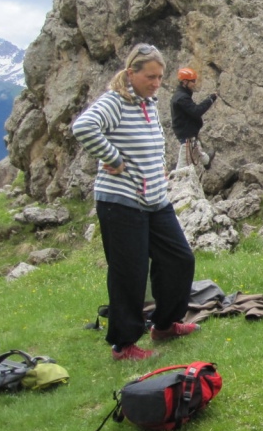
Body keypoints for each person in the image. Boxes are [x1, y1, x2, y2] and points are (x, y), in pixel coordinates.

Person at [72, 43, 199, 361]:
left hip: (155, 199)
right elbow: (84, 127)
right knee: (129, 272)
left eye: (160, 77)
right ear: (131, 73)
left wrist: (159, 168)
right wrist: (111, 157)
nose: (156, 83)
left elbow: (149, 143)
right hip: (121, 201)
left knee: (179, 259)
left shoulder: (148, 102)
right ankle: (123, 344)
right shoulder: (116, 100)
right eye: (150, 77)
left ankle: (165, 324)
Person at [170, 67, 217, 170]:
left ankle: (206, 160)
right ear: (185, 82)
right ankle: (177, 184)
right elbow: (196, 111)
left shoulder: (179, 95)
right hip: (187, 136)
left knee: (195, 147)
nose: (194, 83)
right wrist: (210, 100)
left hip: (186, 134)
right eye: (193, 81)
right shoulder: (182, 98)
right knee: (182, 168)